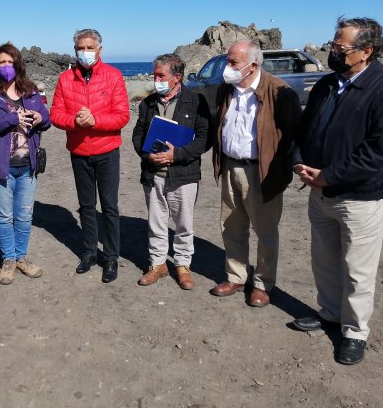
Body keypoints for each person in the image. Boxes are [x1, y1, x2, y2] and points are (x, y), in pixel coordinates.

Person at [292, 17, 383, 365]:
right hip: (319, 192)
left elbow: (381, 153)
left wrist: (329, 175)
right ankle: (330, 313)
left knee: (358, 270)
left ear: (366, 51)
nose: (332, 49)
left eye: (339, 47)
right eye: (332, 43)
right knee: (324, 260)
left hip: (359, 198)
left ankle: (355, 332)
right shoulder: (328, 84)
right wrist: (299, 162)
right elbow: (305, 130)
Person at [210, 39, 301, 307]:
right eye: (228, 60)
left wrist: (283, 172)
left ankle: (262, 283)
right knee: (231, 226)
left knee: (265, 232)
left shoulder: (279, 91)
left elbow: (294, 137)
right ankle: (236, 276)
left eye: (233, 62)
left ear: (252, 65)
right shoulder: (227, 90)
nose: (228, 67)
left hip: (262, 171)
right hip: (230, 166)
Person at [50, 29, 130, 283]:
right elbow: (55, 115)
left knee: (109, 207)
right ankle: (88, 252)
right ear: (75, 51)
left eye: (89, 48)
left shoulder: (114, 76)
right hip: (79, 152)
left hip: (107, 151)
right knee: (86, 206)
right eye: (80, 48)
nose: (85, 52)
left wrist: (95, 121)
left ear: (99, 50)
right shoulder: (65, 79)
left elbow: (122, 115)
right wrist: (75, 121)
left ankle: (111, 257)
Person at [0, 43, 51, 285]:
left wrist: (40, 117)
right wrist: (10, 118)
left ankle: (21, 257)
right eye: (2, 62)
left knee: (25, 215)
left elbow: (47, 120)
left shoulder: (31, 91)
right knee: (4, 216)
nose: (6, 66)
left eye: (10, 62)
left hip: (28, 164)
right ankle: (8, 259)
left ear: (18, 64)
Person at [131, 54, 212, 289]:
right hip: (153, 174)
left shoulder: (196, 101)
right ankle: (157, 265)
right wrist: (147, 155)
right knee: (155, 223)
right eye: (154, 75)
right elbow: (137, 135)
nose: (156, 80)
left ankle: (182, 265)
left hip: (183, 175)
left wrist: (177, 154)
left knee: (183, 224)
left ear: (177, 77)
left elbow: (205, 138)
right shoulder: (147, 103)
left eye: (161, 75)